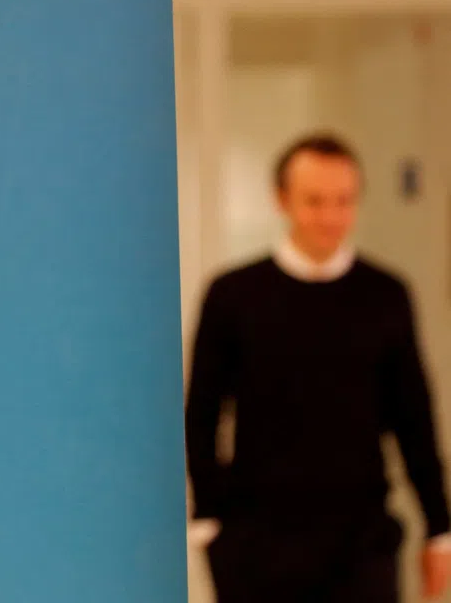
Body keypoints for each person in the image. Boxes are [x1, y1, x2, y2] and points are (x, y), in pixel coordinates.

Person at [185, 133, 451, 602]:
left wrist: (439, 526)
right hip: (258, 542)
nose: (330, 217)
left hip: (360, 540)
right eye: (314, 201)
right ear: (282, 200)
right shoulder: (233, 295)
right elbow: (202, 411)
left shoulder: (386, 295)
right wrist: (207, 522)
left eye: (343, 201)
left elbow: (414, 419)